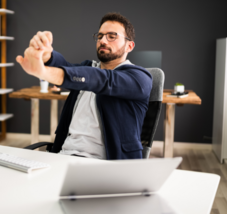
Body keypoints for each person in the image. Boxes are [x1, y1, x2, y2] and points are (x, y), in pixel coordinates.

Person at [16, 13, 152, 160]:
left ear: (129, 46)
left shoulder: (140, 78)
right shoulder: (88, 67)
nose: (103, 41)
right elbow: (67, 67)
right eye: (100, 36)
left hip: (107, 166)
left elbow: (103, 80)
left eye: (112, 36)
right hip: (63, 157)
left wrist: (45, 72)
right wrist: (47, 56)